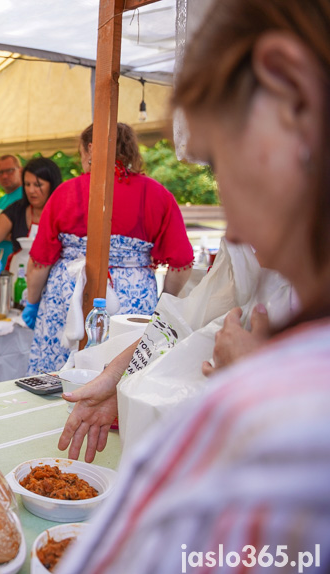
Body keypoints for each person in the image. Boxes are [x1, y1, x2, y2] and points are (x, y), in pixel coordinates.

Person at [56, 1, 330, 572]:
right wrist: (120, 376)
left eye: (223, 164)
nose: (235, 229)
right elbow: (203, 312)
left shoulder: (279, 415)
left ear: (292, 90)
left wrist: (256, 381)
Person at [22, 123, 194, 373]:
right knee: (121, 373)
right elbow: (182, 264)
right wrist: (161, 304)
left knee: (59, 370)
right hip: (133, 300)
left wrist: (33, 301)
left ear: (91, 149)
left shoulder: (65, 193)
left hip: (70, 294)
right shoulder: (158, 194)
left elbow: (39, 263)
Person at [0, 156, 62, 276]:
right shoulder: (17, 210)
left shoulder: (63, 212)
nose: (31, 190)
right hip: (19, 280)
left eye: (38, 185)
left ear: (52, 184)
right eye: (27, 184)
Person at [0, 154, 24, 268]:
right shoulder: (3, 199)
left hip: (17, 263)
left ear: (20, 170)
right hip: (1, 261)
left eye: (9, 171)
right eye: (0, 172)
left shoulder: (26, 196)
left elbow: (23, 233)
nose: (4, 176)